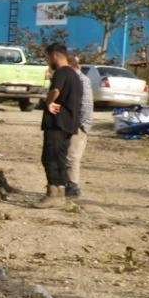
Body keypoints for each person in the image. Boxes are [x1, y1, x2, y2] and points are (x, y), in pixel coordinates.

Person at [39, 42, 82, 204]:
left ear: (54, 56)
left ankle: (52, 195)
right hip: (69, 124)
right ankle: (60, 193)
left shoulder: (62, 72)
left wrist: (49, 102)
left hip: (58, 123)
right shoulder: (74, 75)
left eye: (48, 57)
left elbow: (56, 90)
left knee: (50, 157)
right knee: (60, 157)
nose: (48, 61)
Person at [65, 55, 93, 198]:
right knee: (68, 156)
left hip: (78, 125)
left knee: (72, 156)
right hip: (73, 124)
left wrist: (81, 125)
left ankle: (73, 186)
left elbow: (86, 105)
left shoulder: (81, 80)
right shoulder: (75, 79)